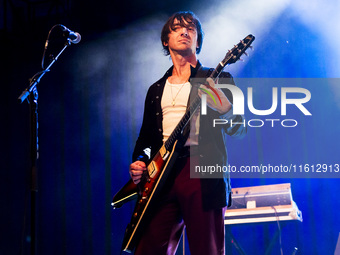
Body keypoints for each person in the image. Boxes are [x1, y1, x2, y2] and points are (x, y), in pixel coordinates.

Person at [129, 11, 246, 255]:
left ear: (198, 41)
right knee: (147, 248)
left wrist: (225, 111)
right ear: (165, 40)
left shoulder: (218, 78)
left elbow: (239, 128)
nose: (185, 31)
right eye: (177, 28)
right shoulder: (155, 89)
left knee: (207, 249)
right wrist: (140, 160)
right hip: (161, 175)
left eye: (191, 28)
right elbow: (146, 139)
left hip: (201, 169)